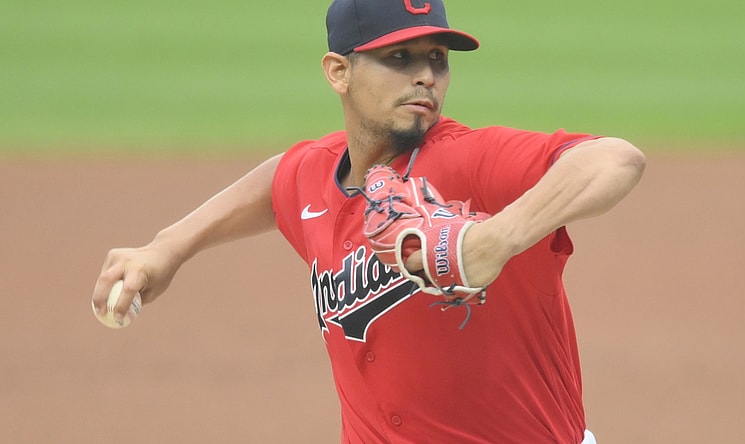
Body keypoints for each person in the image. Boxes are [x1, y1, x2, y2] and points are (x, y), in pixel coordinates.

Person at [91, 0, 646, 442]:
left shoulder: (467, 161)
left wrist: (494, 240)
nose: (426, 76)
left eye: (438, 58)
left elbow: (613, 159)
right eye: (399, 59)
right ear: (339, 71)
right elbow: (279, 180)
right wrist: (169, 246)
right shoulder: (316, 175)